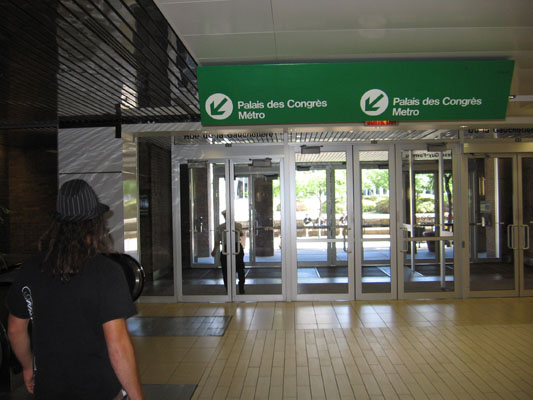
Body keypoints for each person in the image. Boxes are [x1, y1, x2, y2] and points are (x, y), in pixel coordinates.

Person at [6, 179, 144, 400]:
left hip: (48, 389)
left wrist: (28, 366)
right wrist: (137, 397)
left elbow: (15, 329)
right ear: (95, 222)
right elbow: (117, 344)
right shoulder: (106, 272)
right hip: (99, 390)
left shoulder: (31, 269)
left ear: (58, 223)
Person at [211, 210, 246, 294]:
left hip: (237, 247)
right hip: (226, 248)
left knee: (240, 268)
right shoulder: (220, 227)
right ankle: (228, 289)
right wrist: (214, 250)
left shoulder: (238, 225)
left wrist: (236, 230)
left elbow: (241, 234)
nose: (227, 217)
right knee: (225, 269)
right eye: (225, 216)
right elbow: (217, 240)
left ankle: (241, 287)